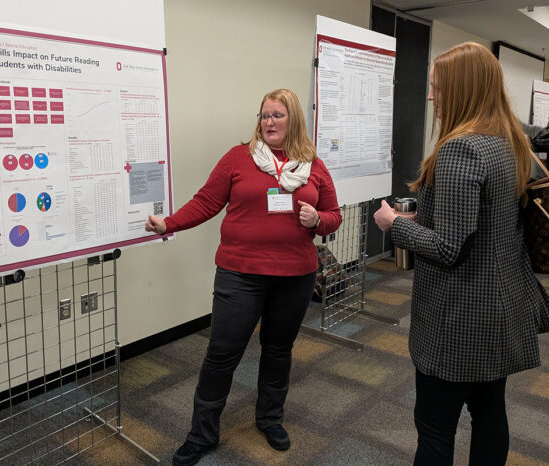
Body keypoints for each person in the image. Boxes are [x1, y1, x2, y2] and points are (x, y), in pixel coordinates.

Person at [373, 42, 548, 465]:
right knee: (490, 414)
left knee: (435, 430)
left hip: (458, 320)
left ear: (461, 89)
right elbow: (484, 227)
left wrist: (394, 225)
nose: (431, 96)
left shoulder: (459, 150)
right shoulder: (508, 143)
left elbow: (450, 248)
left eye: (437, 87)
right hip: (500, 309)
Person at [145, 88, 342, 465]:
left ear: (294, 120)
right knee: (221, 353)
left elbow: (333, 213)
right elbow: (206, 201)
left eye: (277, 115)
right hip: (241, 274)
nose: (268, 122)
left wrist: (318, 220)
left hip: (295, 275)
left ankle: (269, 419)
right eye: (264, 115)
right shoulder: (239, 157)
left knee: (278, 350)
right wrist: (168, 224)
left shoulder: (312, 164)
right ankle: (201, 434)